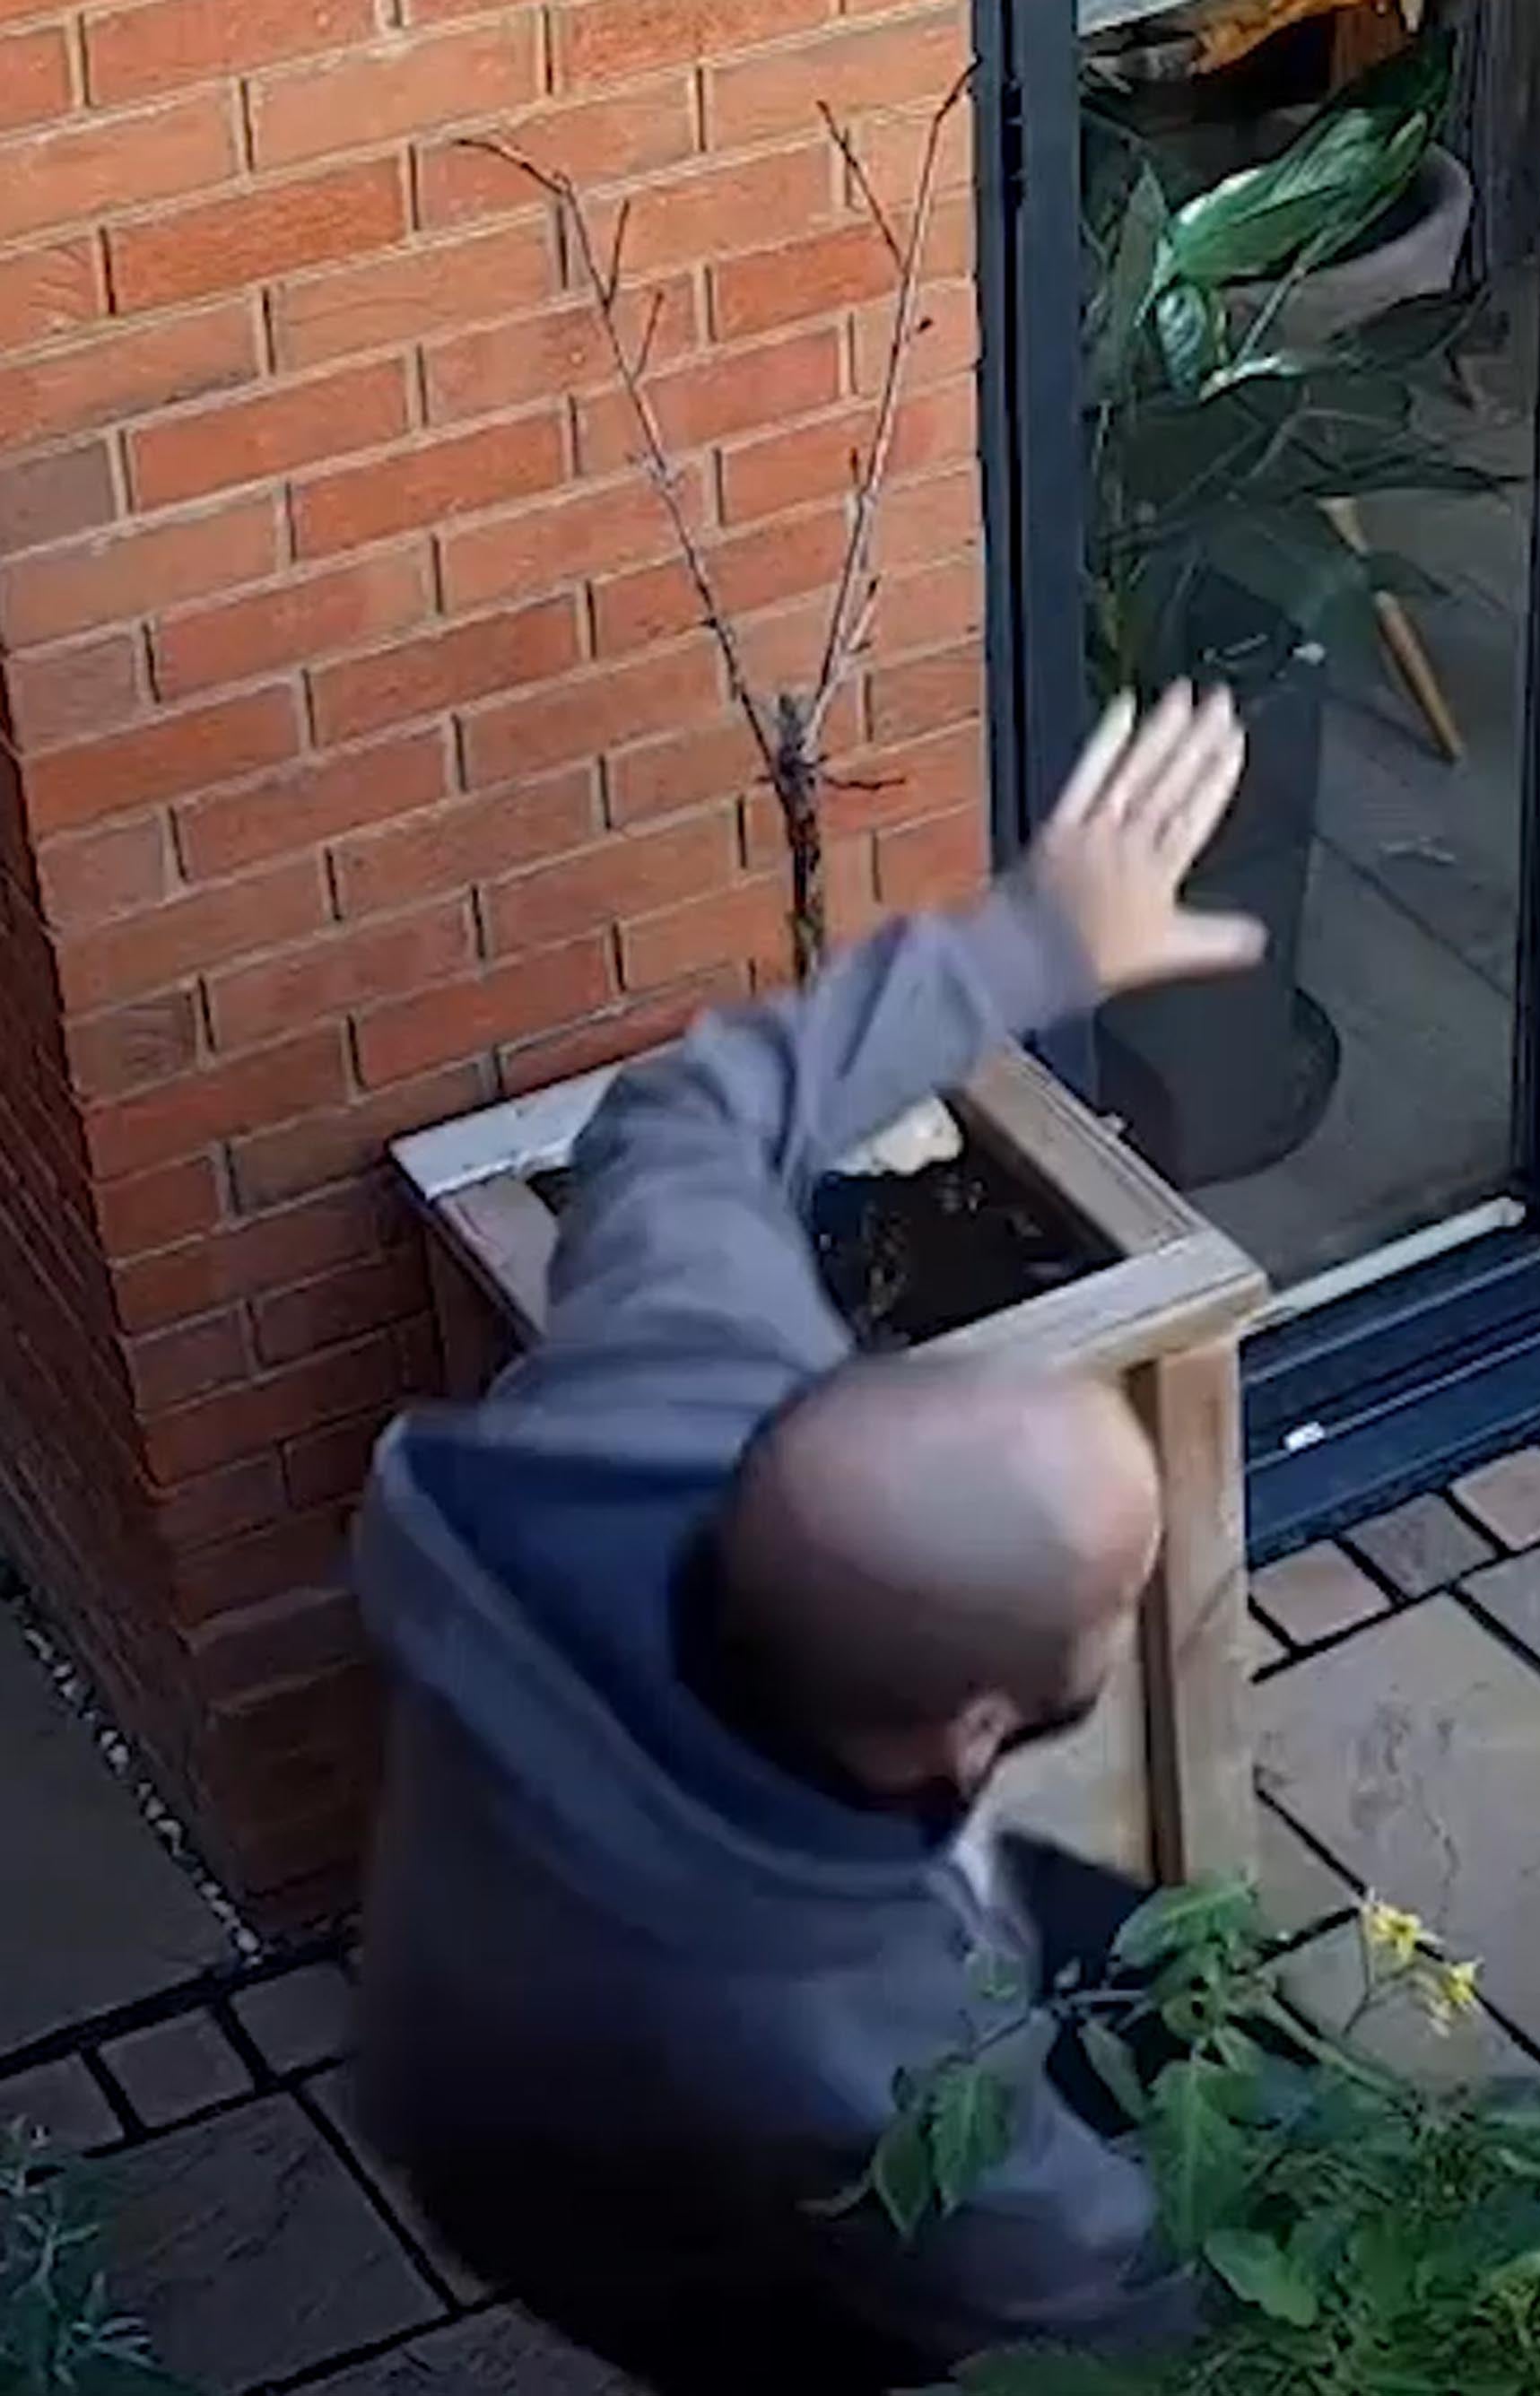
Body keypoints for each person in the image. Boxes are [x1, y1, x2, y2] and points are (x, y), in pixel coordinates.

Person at [350, 689, 1266, 2393]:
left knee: (1134, 1954)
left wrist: (1031, 941)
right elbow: (1114, 2288)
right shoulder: (869, 2055)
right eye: (1116, 1596)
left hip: (454, 2032)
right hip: (632, 2211)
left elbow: (680, 1127)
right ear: (979, 1725)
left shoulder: (667, 1396)